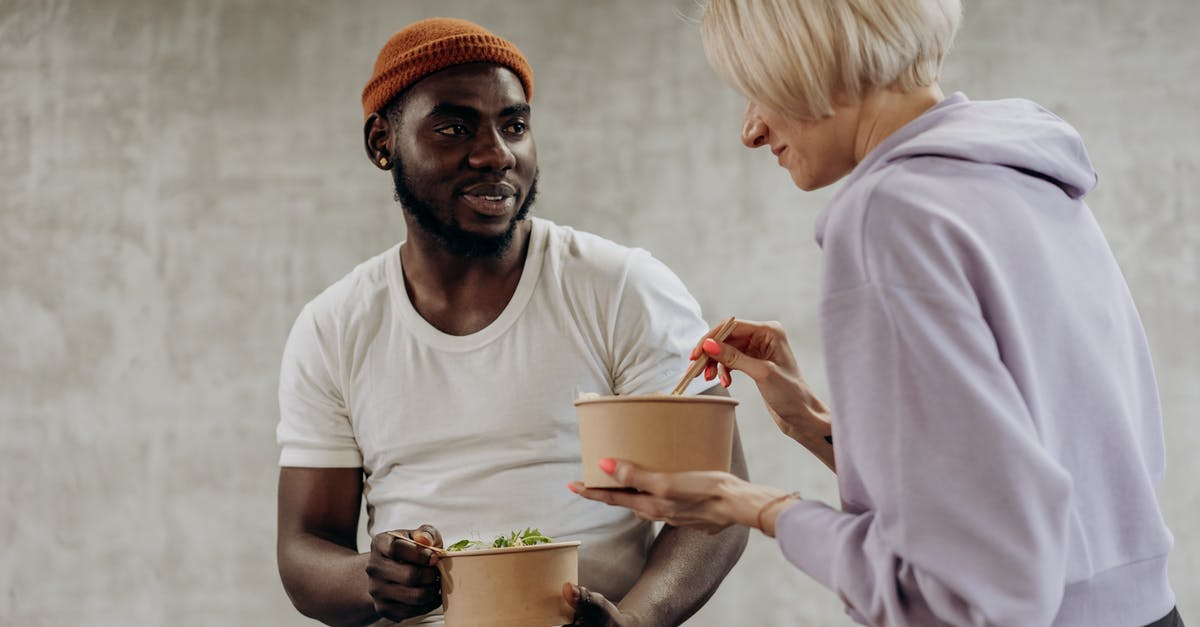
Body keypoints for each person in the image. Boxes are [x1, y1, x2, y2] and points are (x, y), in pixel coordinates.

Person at [572, 1, 1183, 626]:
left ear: (815, 65)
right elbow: (1016, 483)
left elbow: (956, 593)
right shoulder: (1024, 173)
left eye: (757, 90)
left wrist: (748, 504)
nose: (750, 130)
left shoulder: (886, 215)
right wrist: (811, 421)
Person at [274, 16, 749, 627]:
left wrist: (635, 621)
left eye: (515, 126)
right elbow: (303, 547)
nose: (495, 153)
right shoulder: (333, 326)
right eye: (454, 127)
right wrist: (373, 578)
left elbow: (719, 496)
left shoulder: (620, 287)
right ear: (381, 143)